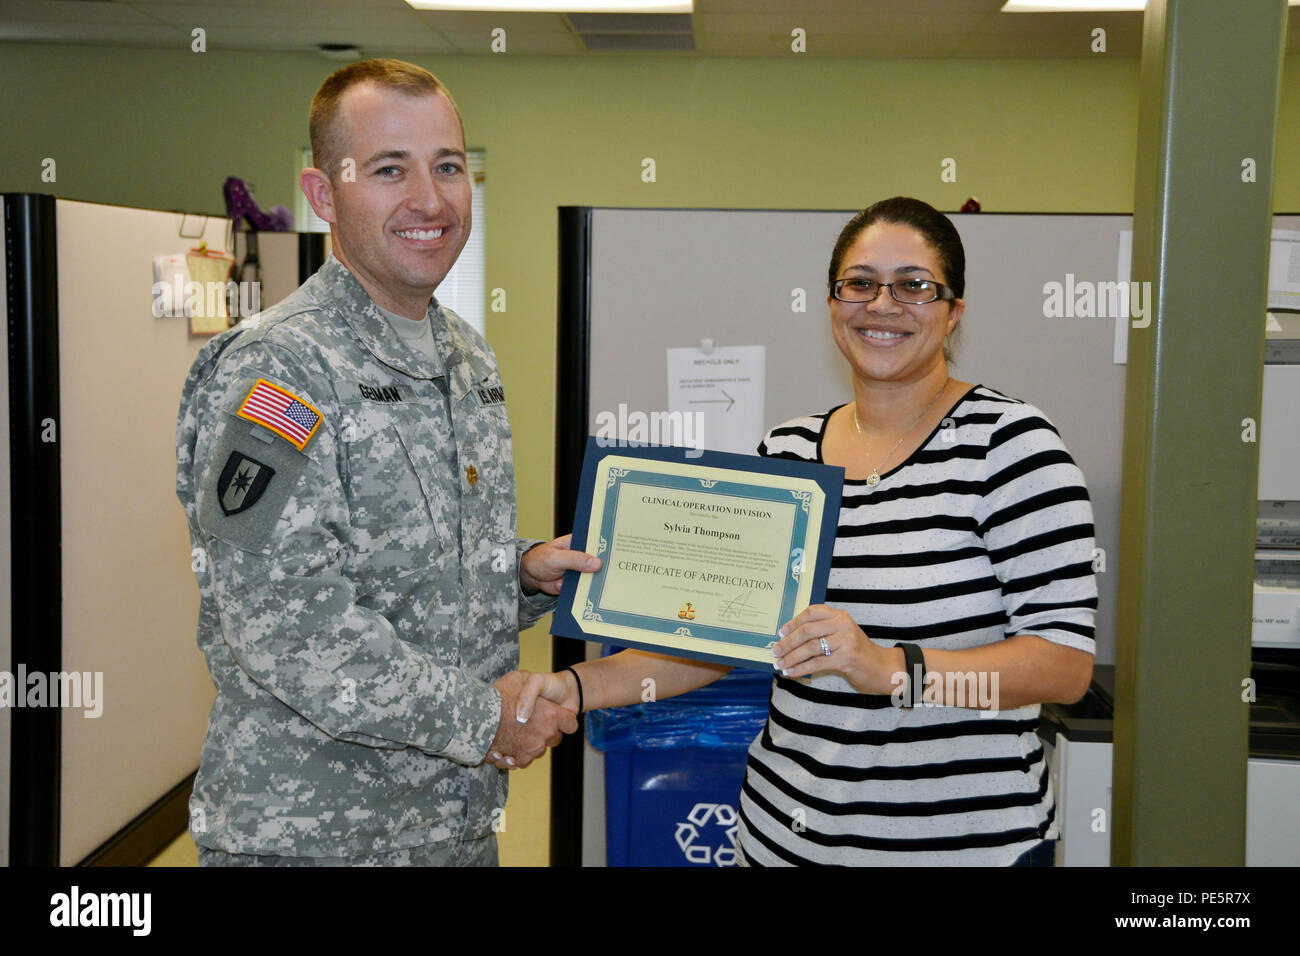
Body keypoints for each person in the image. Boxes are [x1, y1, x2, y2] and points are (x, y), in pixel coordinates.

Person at [522, 197, 1096, 866]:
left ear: (953, 311)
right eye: (860, 283)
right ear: (832, 304)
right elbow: (713, 641)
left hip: (961, 847)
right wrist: (573, 687)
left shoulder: (1011, 445)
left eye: (914, 284)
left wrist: (888, 668)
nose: (883, 304)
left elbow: (1063, 666)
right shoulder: (788, 453)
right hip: (785, 839)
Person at [175, 58, 597, 867]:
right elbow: (290, 629)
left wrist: (521, 573)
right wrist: (487, 720)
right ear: (324, 194)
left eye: (447, 167)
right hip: (316, 839)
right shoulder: (280, 371)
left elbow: (408, 567)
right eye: (389, 170)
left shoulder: (463, 355)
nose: (430, 201)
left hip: (455, 827)